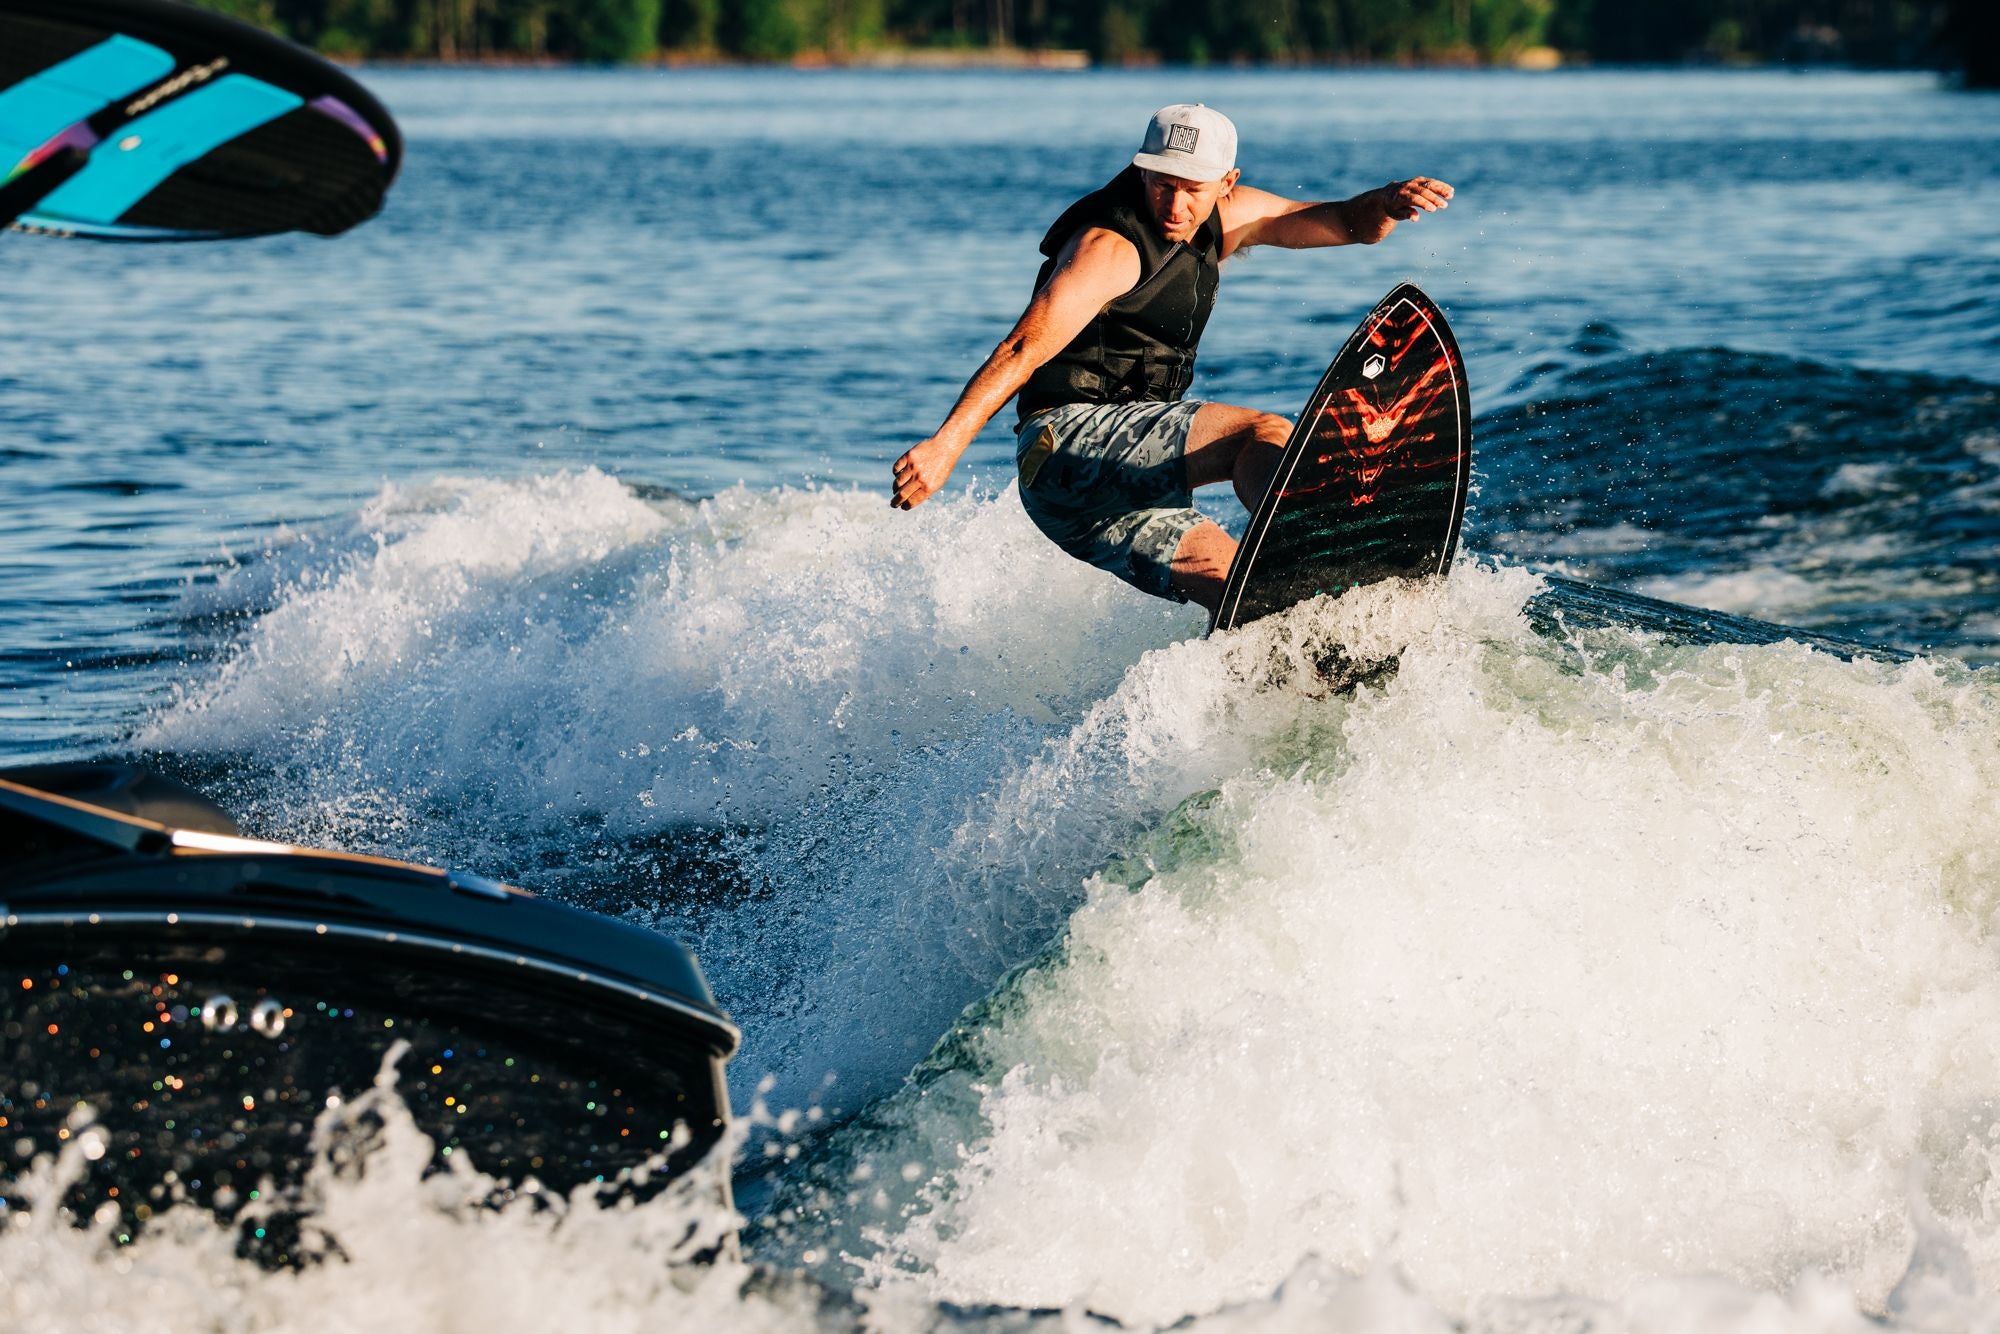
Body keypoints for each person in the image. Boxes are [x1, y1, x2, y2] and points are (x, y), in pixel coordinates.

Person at [890, 103, 1454, 612]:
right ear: (1142, 171)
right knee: (1261, 432)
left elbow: (1341, 223)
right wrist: (946, 445)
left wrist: (1386, 203)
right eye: (1162, 183)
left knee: (1250, 597)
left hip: (1104, 496)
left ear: (1226, 183)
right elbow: (1021, 347)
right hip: (1065, 445)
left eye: (1193, 188)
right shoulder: (1109, 248)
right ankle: (1315, 544)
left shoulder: (1231, 216)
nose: (1176, 204)